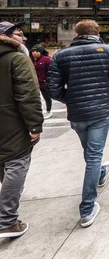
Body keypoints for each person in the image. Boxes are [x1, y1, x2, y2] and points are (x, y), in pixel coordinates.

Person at [46, 19, 109, 228]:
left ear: (76, 33)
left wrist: (69, 98)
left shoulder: (61, 55)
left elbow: (52, 88)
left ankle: (100, 174)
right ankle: (87, 207)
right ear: (96, 32)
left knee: (90, 151)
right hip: (100, 111)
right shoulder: (108, 50)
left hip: (77, 113)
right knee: (93, 155)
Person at [0, 22, 43, 238]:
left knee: (3, 164)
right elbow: (28, 95)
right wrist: (35, 125)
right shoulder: (17, 59)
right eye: (19, 34)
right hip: (12, 123)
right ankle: (7, 221)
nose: (24, 38)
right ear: (5, 36)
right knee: (16, 163)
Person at [30, 44, 53, 119]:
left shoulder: (46, 60)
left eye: (36, 51)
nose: (34, 53)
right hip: (34, 83)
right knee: (35, 98)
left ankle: (49, 111)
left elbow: (51, 71)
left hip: (45, 82)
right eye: (33, 51)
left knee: (47, 97)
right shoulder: (30, 60)